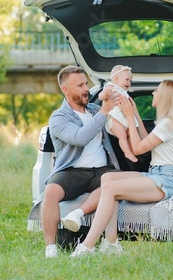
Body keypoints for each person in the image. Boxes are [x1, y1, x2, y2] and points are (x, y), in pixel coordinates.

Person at [69, 80, 173, 257]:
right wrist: (134, 110)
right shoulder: (167, 122)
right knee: (107, 179)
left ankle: (87, 247)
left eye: (156, 91)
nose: (153, 93)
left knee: (111, 188)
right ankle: (111, 244)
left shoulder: (168, 124)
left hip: (167, 180)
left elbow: (137, 149)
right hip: (157, 174)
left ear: (166, 96)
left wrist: (129, 117)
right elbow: (145, 140)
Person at [41, 65, 122, 258]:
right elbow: (80, 138)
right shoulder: (58, 117)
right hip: (72, 170)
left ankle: (78, 214)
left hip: (102, 169)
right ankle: (50, 247)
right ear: (66, 90)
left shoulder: (94, 110)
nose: (86, 88)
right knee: (51, 191)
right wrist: (104, 112)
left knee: (116, 184)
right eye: (80, 85)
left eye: (86, 83)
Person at [99, 65, 140, 163]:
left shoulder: (124, 91)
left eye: (130, 81)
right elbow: (100, 96)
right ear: (116, 79)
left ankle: (134, 150)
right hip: (114, 118)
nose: (129, 83)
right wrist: (105, 94)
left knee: (132, 132)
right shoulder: (110, 86)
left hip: (124, 117)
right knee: (122, 135)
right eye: (127, 79)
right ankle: (127, 153)